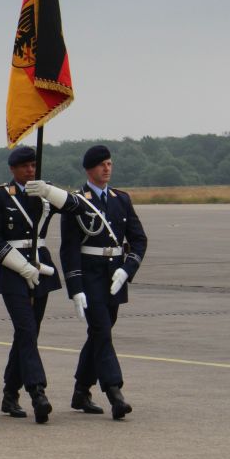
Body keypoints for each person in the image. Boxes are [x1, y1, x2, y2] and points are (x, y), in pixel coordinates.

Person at [50, 145, 148, 419]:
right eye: (102, 165)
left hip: (114, 276)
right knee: (102, 331)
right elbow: (69, 249)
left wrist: (128, 269)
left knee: (98, 334)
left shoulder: (121, 200)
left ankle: (81, 390)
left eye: (109, 164)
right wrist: (75, 288)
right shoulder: (77, 201)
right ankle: (115, 391)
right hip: (90, 275)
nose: (107, 168)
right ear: (89, 170)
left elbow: (139, 239)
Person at [0, 146, 79, 424]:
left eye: (33, 165)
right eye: (24, 166)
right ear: (13, 169)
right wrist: (18, 265)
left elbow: (76, 207)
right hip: (14, 269)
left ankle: (10, 393)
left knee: (28, 334)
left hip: (41, 266)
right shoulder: (1, 194)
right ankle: (37, 391)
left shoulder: (45, 191)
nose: (30, 170)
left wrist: (50, 192)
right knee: (25, 329)